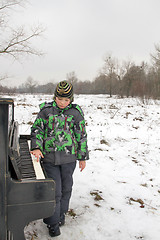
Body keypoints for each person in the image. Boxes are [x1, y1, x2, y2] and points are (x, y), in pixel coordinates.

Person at [30, 80, 89, 237]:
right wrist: (36, 147)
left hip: (69, 160)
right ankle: (52, 222)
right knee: (54, 191)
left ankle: (61, 214)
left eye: (66, 100)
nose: (62, 103)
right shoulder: (46, 111)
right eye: (59, 99)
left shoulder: (76, 113)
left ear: (71, 99)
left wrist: (82, 157)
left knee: (66, 189)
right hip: (50, 159)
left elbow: (81, 136)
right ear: (55, 97)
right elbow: (37, 130)